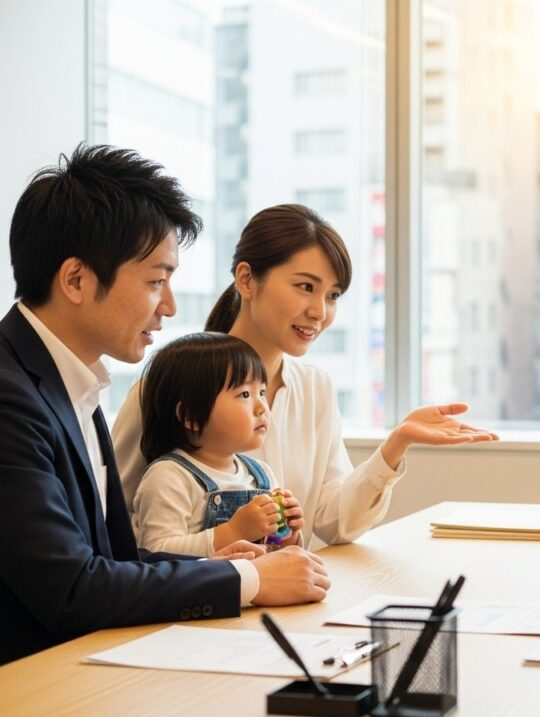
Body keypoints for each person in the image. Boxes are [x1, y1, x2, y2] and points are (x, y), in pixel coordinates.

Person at [0, 145, 330, 665]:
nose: (170, 306)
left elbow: (113, 559)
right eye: (156, 281)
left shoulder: (73, 384)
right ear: (76, 280)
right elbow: (71, 589)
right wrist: (246, 579)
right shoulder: (10, 396)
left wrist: (221, 561)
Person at [113, 204, 498, 549]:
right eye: (305, 287)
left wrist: (397, 443)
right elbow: (115, 519)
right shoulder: (167, 383)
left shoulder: (315, 388)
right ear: (247, 280)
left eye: (332, 296)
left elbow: (334, 522)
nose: (319, 312)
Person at [135, 332, 304, 557]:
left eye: (262, 392)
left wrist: (287, 535)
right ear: (191, 416)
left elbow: (275, 552)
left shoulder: (261, 473)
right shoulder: (169, 476)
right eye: (244, 394)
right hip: (205, 593)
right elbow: (156, 552)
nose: (262, 406)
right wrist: (234, 531)